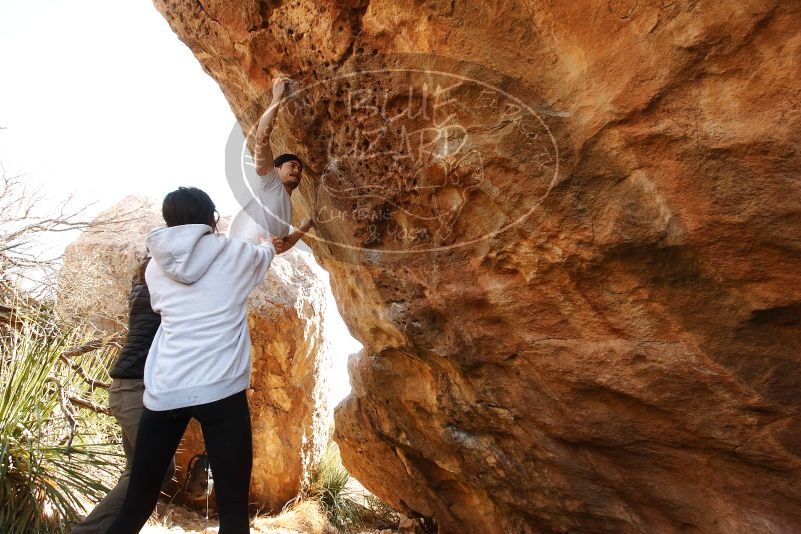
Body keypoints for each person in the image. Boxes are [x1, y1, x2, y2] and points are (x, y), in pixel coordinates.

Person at [104, 187, 279, 534]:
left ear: (169, 221)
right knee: (232, 513)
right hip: (221, 391)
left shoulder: (154, 269)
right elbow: (264, 253)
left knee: (136, 505)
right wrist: (269, 242)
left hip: (166, 389)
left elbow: (162, 308)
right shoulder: (234, 252)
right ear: (212, 219)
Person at [71, 255, 175, 534]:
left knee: (140, 472)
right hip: (137, 390)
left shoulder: (146, 284)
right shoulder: (159, 290)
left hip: (129, 389)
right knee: (155, 471)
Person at [229, 76, 313, 247]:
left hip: (253, 267)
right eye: (292, 165)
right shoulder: (270, 182)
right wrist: (277, 97)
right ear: (275, 169)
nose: (297, 170)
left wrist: (305, 227)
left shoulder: (288, 212)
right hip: (236, 253)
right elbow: (261, 139)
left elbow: (283, 245)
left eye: (300, 169)